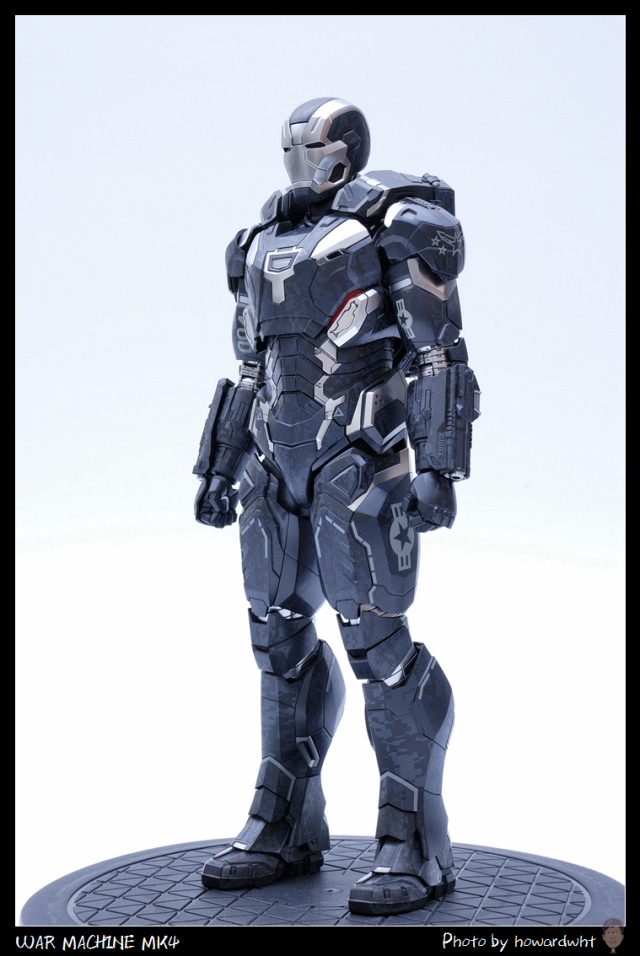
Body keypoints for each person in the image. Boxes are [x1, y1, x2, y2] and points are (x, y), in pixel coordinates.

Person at [193, 97, 480, 917]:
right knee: (277, 637)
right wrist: (219, 464)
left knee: (378, 645)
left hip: (358, 458)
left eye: (311, 145)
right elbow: (250, 367)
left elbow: (437, 353)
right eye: (291, 146)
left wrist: (439, 467)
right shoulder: (260, 240)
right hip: (272, 464)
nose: (299, 159)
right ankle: (284, 817)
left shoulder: (395, 224)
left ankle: (412, 834)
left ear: (343, 150)